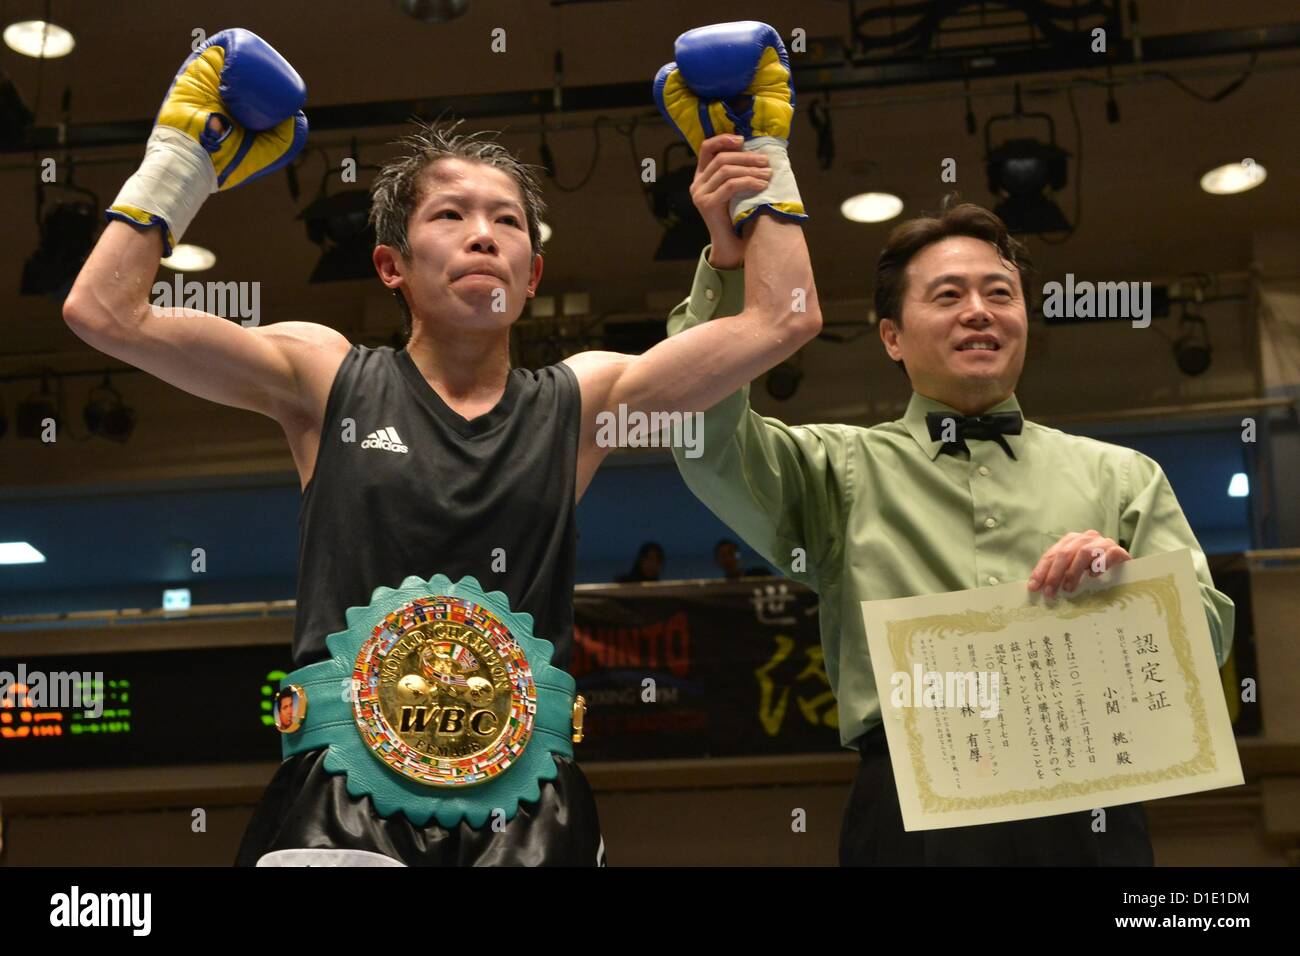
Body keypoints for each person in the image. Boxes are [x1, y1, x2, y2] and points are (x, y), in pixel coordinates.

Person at [62, 24, 821, 865]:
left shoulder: (586, 400)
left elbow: (783, 320)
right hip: (340, 796)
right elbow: (104, 314)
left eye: (507, 220)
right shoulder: (325, 378)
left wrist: (763, 168)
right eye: (451, 215)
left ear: (532, 275)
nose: (484, 234)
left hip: (531, 802)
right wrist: (180, 162)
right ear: (392, 265)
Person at [666, 196, 1234, 866]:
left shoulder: (1122, 475)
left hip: (1087, 796)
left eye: (1001, 293)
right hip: (911, 807)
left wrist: (1129, 588)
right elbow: (699, 431)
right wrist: (731, 269)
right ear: (892, 337)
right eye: (948, 294)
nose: (979, 310)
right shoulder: (834, 470)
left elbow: (1207, 637)